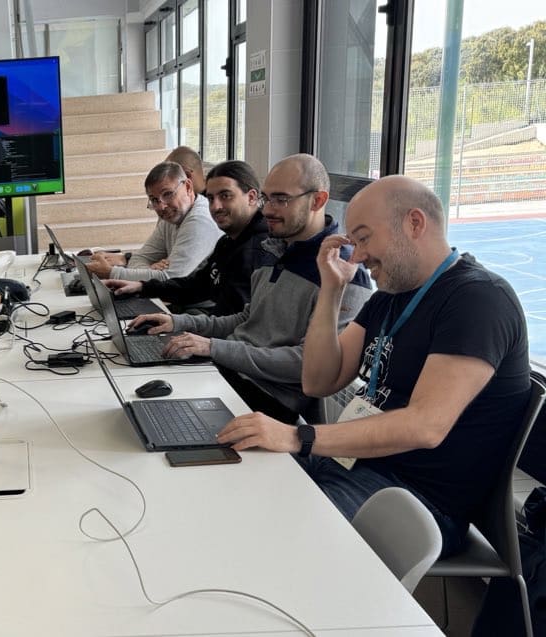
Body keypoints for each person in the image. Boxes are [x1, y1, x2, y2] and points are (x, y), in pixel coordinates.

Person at [218, 175, 530, 557]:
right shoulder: (390, 297)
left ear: (414, 224)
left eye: (364, 238)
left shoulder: (478, 299)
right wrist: (332, 289)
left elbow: (425, 426)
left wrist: (299, 437)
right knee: (230, 487)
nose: (358, 256)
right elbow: (318, 380)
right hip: (351, 465)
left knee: (264, 540)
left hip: (413, 500)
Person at [131, 154, 372, 422]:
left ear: (317, 200)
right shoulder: (275, 247)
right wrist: (178, 322)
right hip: (230, 372)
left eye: (281, 199)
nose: (267, 210)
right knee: (133, 396)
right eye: (267, 199)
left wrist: (213, 348)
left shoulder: (343, 271)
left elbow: (305, 363)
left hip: (269, 400)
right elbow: (249, 318)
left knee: (157, 418)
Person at [103, 160, 273, 316]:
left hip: (214, 324)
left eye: (225, 196)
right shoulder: (228, 241)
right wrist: (143, 287)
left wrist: (181, 325)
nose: (215, 207)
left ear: (251, 197)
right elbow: (196, 285)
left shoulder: (255, 251)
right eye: (211, 198)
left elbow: (233, 324)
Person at [85, 161, 220, 281]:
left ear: (188, 187)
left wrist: (110, 273)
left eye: (167, 194)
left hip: (196, 308)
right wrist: (150, 271)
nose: (161, 206)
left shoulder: (199, 221)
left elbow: (169, 278)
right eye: (154, 200)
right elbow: (139, 259)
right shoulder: (172, 217)